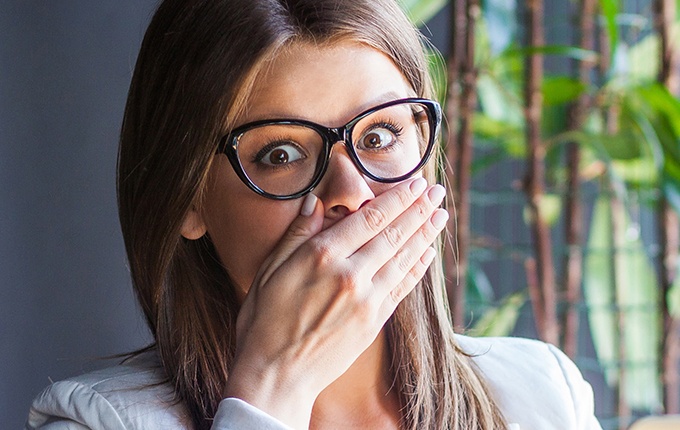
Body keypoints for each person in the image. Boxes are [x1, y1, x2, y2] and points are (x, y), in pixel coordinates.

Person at [26, 0, 602, 429]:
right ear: (189, 200)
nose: (350, 192)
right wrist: (270, 390)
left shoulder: (542, 394)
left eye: (380, 134)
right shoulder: (96, 421)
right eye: (281, 153)